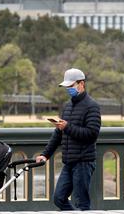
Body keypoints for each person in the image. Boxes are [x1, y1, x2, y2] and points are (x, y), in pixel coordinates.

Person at [36, 68, 101, 211]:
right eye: (67, 87)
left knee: (81, 203)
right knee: (59, 199)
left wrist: (67, 127)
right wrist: (45, 155)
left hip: (84, 162)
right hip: (69, 161)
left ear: (81, 84)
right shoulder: (68, 106)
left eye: (70, 86)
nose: (68, 89)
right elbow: (58, 134)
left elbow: (92, 134)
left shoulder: (92, 106)